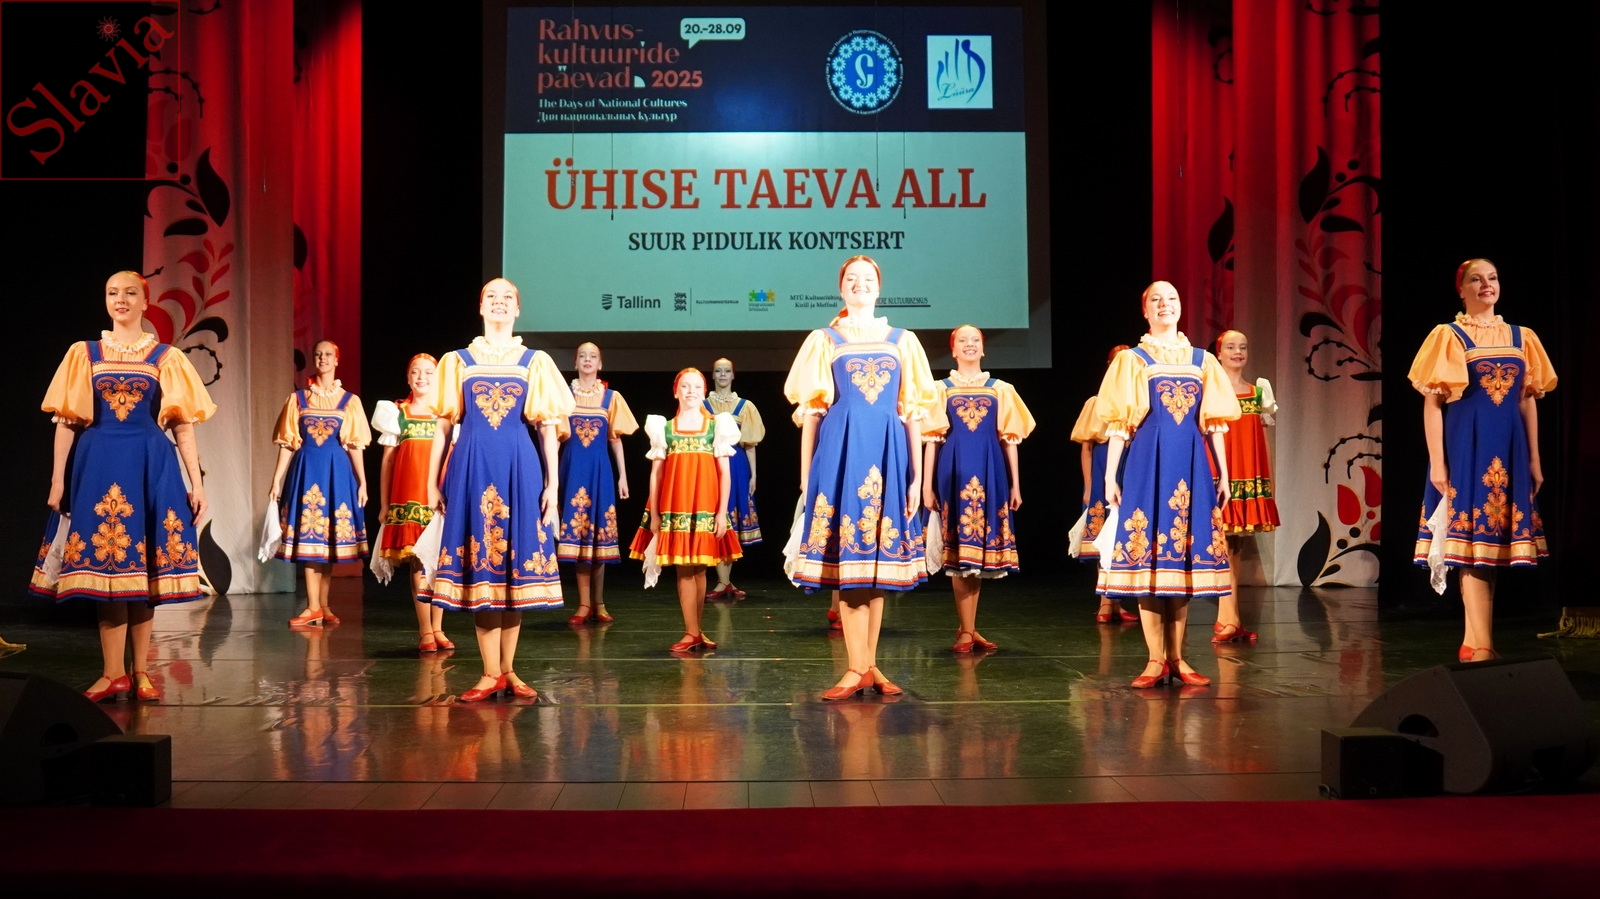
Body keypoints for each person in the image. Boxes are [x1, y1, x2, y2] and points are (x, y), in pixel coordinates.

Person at [30, 270, 215, 701]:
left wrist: (197, 482)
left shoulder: (166, 357)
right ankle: (113, 672)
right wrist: (57, 479)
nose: (121, 299)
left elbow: (182, 425)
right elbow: (66, 422)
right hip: (99, 464)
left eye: (131, 293)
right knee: (108, 565)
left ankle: (141, 672)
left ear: (145, 302)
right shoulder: (85, 353)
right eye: (113, 292)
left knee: (143, 568)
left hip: (150, 463)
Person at [784, 255, 938, 700]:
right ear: (841, 288)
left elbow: (912, 413)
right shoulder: (824, 339)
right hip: (842, 452)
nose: (859, 284)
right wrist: (806, 475)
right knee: (851, 563)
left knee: (878, 565)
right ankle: (856, 667)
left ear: (879, 287)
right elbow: (812, 414)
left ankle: (869, 666)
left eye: (867, 278)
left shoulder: (903, 340)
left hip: (889, 453)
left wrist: (915, 476)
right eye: (851, 278)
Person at [425, 278, 573, 701]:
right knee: (483, 564)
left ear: (518, 309)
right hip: (471, 467)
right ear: (480, 306)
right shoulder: (458, 360)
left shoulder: (535, 361)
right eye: (491, 295)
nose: (500, 302)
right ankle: (490, 672)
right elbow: (443, 427)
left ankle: (508, 670)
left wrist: (553, 484)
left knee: (514, 565)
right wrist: (432, 481)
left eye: (508, 297)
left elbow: (547, 428)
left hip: (519, 467)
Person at [1095, 281, 1239, 688]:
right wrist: (1110, 476)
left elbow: (1214, 423)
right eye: (1156, 300)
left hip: (1191, 464)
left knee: (1182, 559)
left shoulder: (1202, 360)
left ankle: (1178, 658)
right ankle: (1155, 659)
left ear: (1180, 307)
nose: (1164, 305)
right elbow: (1120, 424)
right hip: (1147, 463)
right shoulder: (1133, 360)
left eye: (1172, 298)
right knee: (1149, 559)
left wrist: (1224, 473)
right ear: (1145, 310)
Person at [1410, 259, 1555, 662]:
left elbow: (1527, 400)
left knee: (1488, 549)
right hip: (1466, 447)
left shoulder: (1522, 336)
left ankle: (1475, 641)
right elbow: (1432, 404)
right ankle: (1483, 646)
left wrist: (1534, 459)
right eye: (1476, 279)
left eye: (1492, 278)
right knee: (1470, 546)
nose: (1486, 284)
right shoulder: (1449, 335)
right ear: (1461, 289)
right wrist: (1438, 462)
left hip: (1508, 448)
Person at [921, 325, 1035, 652]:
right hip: (953, 471)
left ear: (983, 348)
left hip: (990, 471)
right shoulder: (939, 389)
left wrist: (1015, 484)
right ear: (953, 350)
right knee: (961, 554)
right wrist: (927, 485)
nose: (969, 344)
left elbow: (1010, 440)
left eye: (975, 340)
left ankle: (968, 628)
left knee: (976, 556)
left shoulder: (1001, 389)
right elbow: (932, 441)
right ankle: (967, 630)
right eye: (962, 340)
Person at [628, 368, 741, 652]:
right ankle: (691, 632)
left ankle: (697, 631)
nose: (691, 391)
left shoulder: (716, 427)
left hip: (705, 506)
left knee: (700, 569)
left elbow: (724, 474)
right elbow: (656, 474)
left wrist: (721, 513)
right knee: (684, 570)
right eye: (686, 386)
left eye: (697, 386)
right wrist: (655, 514)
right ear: (676, 391)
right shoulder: (664, 428)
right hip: (675, 506)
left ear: (704, 392)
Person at [269, 339, 372, 627]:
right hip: (307, 471)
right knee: (310, 537)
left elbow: (355, 445)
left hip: (336, 472)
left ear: (337, 360)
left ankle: (323, 605)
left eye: (328, 354)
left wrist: (363, 481)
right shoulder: (298, 399)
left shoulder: (349, 401)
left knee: (328, 540)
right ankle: (312, 606)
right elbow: (288, 443)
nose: (322, 358)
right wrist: (276, 479)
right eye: (318, 354)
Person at [372, 353, 452, 653]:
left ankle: (439, 627)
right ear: (408, 378)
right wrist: (384, 503)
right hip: (409, 496)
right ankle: (425, 629)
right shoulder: (397, 413)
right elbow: (388, 463)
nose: (422, 377)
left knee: (439, 562)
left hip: (440, 498)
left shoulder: (447, 415)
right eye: (416, 372)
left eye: (429, 372)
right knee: (418, 561)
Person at [558, 342, 638, 624]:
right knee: (579, 535)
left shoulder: (611, 398)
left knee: (599, 538)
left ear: (600, 363)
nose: (587, 360)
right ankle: (583, 604)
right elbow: (554, 439)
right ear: (575, 362)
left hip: (600, 472)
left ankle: (599, 603)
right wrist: (550, 477)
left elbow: (615, 440)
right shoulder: (564, 395)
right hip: (572, 471)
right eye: (582, 356)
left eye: (593, 356)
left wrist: (623, 476)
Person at [1211, 330, 1279, 643]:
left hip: (1248, 473)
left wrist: (1267, 479)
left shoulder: (1257, 391)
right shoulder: (1211, 391)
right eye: (1231, 347)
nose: (1238, 352)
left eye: (1243, 347)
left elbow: (1260, 438)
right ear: (1219, 353)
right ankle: (1227, 617)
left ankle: (1230, 617)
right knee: (1224, 542)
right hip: (1221, 473)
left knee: (1236, 545)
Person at [1071, 345, 1138, 625]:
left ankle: (1117, 601)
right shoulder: (1097, 402)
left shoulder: (1141, 400)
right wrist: (1089, 486)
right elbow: (1086, 448)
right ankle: (1105, 602)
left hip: (1132, 467)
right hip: (1103, 471)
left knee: (1125, 534)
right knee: (1102, 535)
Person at [703, 357, 765, 599]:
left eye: (727, 371)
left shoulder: (744, 406)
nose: (722, 375)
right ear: (712, 375)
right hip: (711, 465)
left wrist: (753, 474)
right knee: (718, 519)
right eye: (718, 371)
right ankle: (724, 581)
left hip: (736, 466)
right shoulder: (702, 405)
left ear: (733, 375)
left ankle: (724, 581)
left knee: (732, 520)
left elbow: (749, 444)